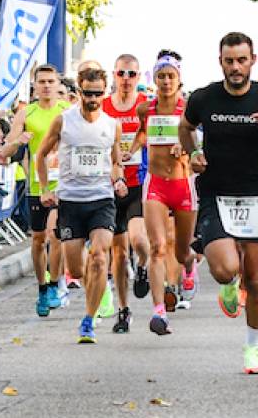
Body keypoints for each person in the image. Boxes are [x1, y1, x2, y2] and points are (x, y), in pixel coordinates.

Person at [179, 32, 258, 374]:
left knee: (257, 279)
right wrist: (194, 152)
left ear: (252, 60)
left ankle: (252, 348)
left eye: (241, 60)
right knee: (226, 267)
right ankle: (229, 286)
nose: (235, 67)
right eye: (229, 61)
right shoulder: (204, 98)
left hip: (257, 193)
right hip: (216, 192)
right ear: (221, 62)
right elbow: (185, 128)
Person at [35, 68, 126, 343]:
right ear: (79, 90)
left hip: (101, 199)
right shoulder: (63, 121)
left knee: (99, 256)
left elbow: (116, 161)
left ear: (105, 90)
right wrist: (44, 189)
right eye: (88, 93)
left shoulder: (112, 125)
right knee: (75, 270)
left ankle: (88, 319)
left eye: (99, 93)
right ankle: (100, 288)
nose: (93, 99)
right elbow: (40, 155)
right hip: (71, 201)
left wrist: (119, 179)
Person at [129, 51, 198, 335]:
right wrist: (130, 151)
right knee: (157, 248)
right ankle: (159, 313)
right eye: (161, 76)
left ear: (179, 79)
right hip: (156, 184)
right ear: (155, 79)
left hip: (183, 184)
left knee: (181, 250)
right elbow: (143, 134)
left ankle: (190, 266)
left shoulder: (188, 109)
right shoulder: (146, 109)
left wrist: (187, 147)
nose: (166, 81)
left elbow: (200, 139)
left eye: (171, 76)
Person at [0, 65, 70, 317]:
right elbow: (6, 149)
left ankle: (54, 285)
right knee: (39, 239)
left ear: (57, 83)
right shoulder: (26, 112)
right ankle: (42, 287)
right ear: (34, 85)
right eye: (42, 82)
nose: (47, 86)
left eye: (51, 81)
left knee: (56, 235)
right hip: (36, 185)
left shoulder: (67, 110)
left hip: (63, 184)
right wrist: (17, 142)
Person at [101, 54, 150, 333]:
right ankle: (123, 309)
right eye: (121, 74)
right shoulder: (105, 107)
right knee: (118, 253)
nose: (126, 80)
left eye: (131, 74)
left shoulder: (144, 105)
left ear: (138, 76)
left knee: (139, 239)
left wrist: (132, 148)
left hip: (137, 183)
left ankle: (142, 265)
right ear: (114, 75)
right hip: (110, 185)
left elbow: (146, 132)